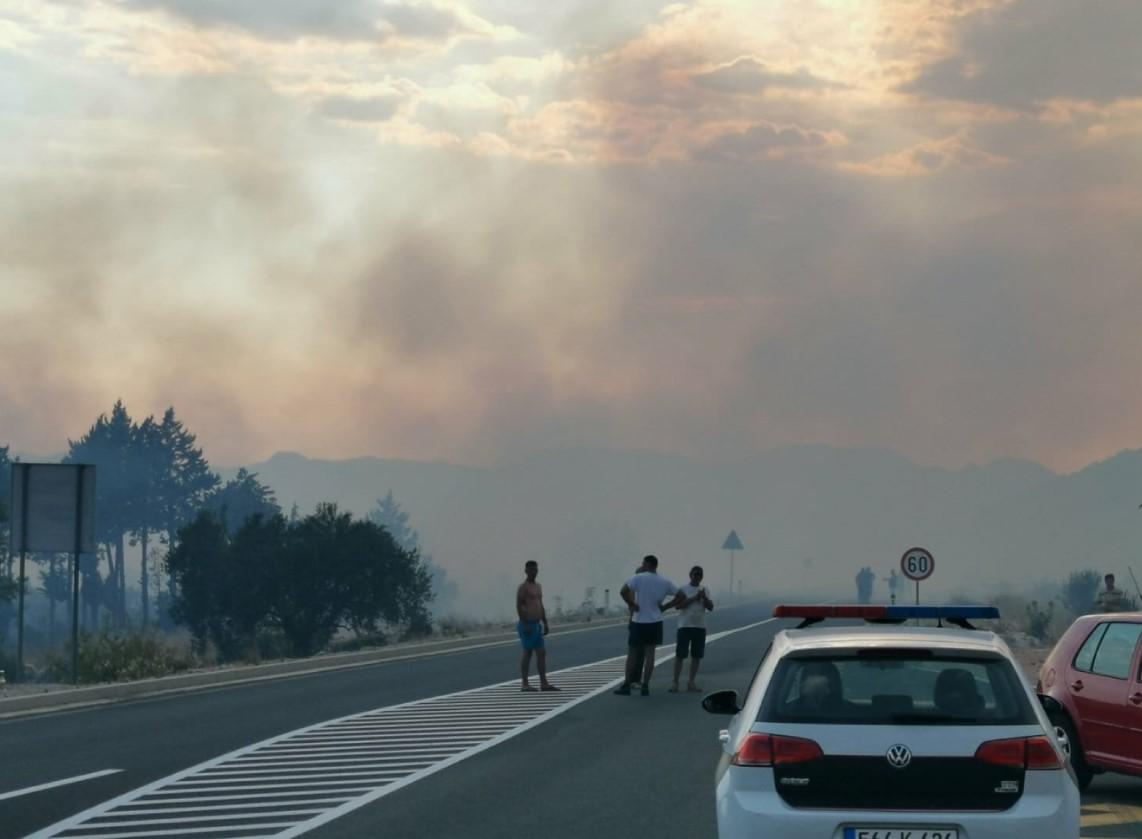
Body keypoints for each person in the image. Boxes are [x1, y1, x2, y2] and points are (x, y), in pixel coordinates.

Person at [615, 555, 684, 696]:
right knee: (650, 654)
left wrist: (632, 604)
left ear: (646, 564)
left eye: (643, 563)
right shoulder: (665, 581)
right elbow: (681, 595)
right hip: (655, 621)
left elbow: (623, 591)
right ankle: (645, 685)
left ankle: (627, 684)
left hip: (638, 621)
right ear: (656, 566)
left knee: (632, 654)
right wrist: (666, 606)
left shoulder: (638, 578)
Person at [669, 565, 713, 693]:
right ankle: (675, 682)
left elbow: (710, 607)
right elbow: (678, 606)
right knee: (680, 655)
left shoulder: (705, 590)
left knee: (696, 656)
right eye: (695, 574)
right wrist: (694, 598)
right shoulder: (683, 589)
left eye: (700, 574)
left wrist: (704, 597)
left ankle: (691, 682)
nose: (697, 576)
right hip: (685, 626)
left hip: (700, 626)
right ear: (690, 575)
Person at [516, 560, 558, 692]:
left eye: (535, 569)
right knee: (527, 653)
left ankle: (544, 683)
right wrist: (525, 623)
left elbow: (540, 604)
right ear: (526, 571)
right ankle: (524, 683)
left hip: (537, 624)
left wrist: (545, 622)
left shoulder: (538, 586)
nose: (534, 572)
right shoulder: (523, 587)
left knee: (541, 652)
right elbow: (519, 605)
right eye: (531, 569)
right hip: (527, 624)